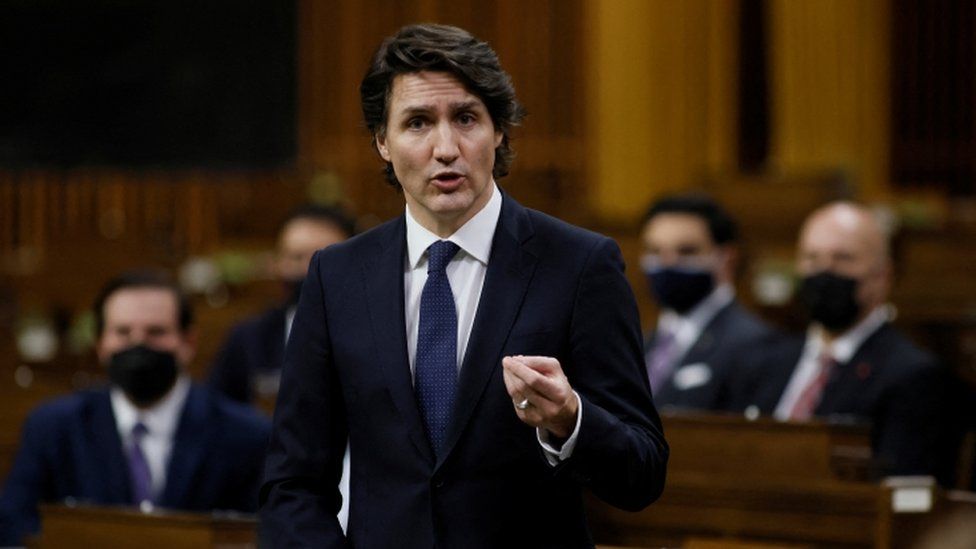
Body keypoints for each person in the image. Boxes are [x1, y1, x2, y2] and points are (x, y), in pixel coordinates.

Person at [260, 23, 668, 548]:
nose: (446, 148)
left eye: (467, 118)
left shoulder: (580, 264)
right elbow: (293, 482)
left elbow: (643, 473)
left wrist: (572, 420)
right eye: (418, 123)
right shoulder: (337, 276)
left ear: (498, 131)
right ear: (382, 142)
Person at [0, 271, 271, 546]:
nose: (138, 344)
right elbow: (16, 525)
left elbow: (261, 532)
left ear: (188, 342)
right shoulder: (53, 426)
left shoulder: (246, 434)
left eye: (156, 332)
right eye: (123, 332)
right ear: (100, 343)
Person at [731, 201, 946, 477]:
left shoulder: (913, 376)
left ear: (883, 276)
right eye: (812, 258)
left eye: (843, 258)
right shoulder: (764, 361)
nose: (824, 271)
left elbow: (898, 486)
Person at [207, 204, 355, 405]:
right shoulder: (250, 338)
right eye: (296, 257)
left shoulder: (381, 331)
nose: (308, 269)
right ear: (277, 263)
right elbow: (220, 412)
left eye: (324, 257)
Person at [640, 193, 775, 411]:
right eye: (655, 251)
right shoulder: (644, 343)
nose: (667, 263)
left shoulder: (753, 345)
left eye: (686, 251)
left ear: (726, 258)